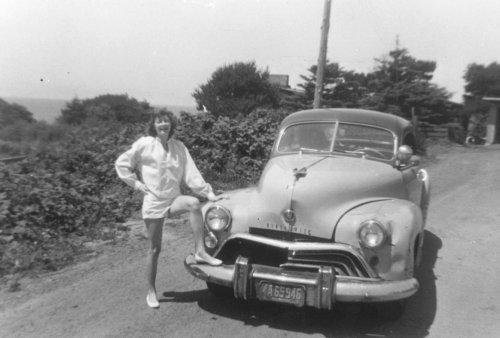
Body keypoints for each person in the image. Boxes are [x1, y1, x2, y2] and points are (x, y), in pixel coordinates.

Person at [115, 109, 226, 308]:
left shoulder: (179, 147)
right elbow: (122, 163)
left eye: (166, 121)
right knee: (155, 249)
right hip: (154, 202)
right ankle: (151, 291)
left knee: (193, 203)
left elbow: (192, 174)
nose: (163, 125)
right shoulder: (145, 144)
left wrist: (208, 193)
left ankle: (200, 251)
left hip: (173, 199)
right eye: (159, 122)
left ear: (171, 125)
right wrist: (136, 184)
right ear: (154, 125)